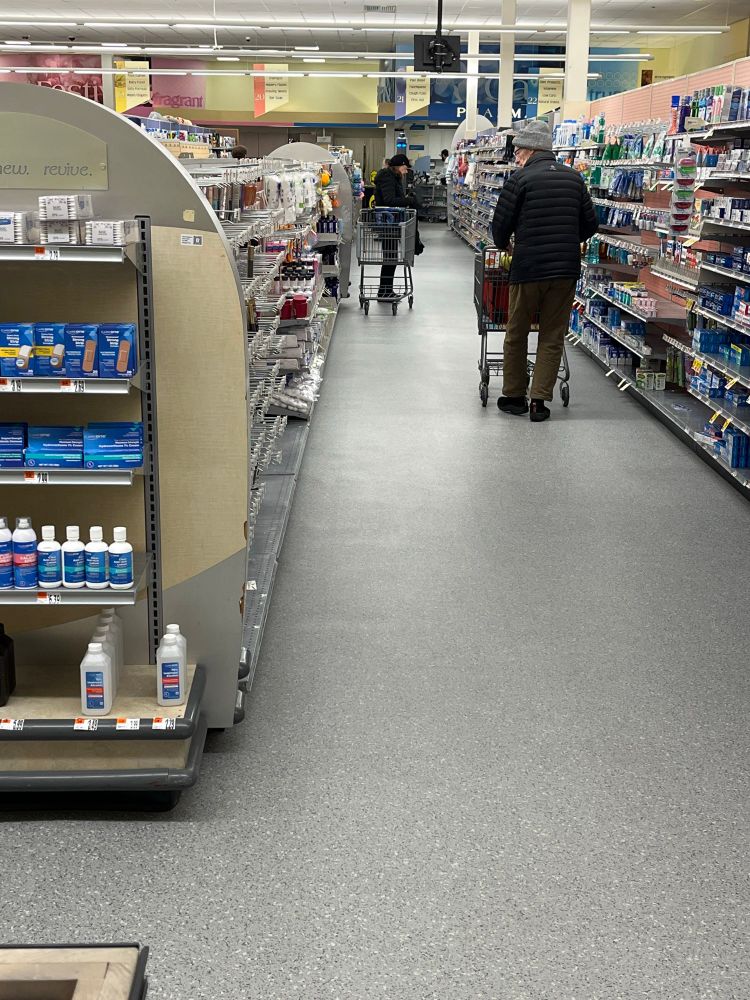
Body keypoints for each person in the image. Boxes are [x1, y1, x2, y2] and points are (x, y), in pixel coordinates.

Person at [491, 119, 598, 422]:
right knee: (552, 334)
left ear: (528, 150)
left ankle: (514, 396)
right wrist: (565, 239)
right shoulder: (574, 179)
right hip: (564, 270)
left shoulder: (521, 180)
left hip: (527, 267)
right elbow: (590, 224)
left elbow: (501, 224)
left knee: (517, 332)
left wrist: (505, 245)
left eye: (518, 152)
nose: (517, 157)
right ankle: (539, 401)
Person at [373, 154, 424, 300]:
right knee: (390, 257)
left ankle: (385, 290)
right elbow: (389, 200)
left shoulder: (391, 176)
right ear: (398, 166)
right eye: (404, 167)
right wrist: (408, 200)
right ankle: (384, 291)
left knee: (391, 257)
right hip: (387, 222)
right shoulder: (387, 177)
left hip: (390, 222)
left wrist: (406, 199)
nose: (406, 171)